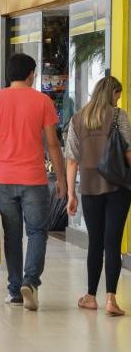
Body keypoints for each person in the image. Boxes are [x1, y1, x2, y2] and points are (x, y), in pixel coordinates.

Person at [0, 53, 66, 311]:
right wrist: (61, 178)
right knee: (38, 232)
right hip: (35, 179)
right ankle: (31, 281)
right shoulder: (42, 101)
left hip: (5, 179)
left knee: (13, 236)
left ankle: (15, 290)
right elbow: (52, 144)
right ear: (30, 74)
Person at [65, 76, 131, 316]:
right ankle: (111, 299)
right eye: (118, 95)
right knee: (113, 242)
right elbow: (128, 152)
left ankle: (91, 296)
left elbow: (71, 160)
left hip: (90, 189)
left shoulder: (77, 119)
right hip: (119, 187)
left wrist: (71, 194)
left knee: (95, 242)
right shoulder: (118, 116)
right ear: (112, 93)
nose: (118, 100)